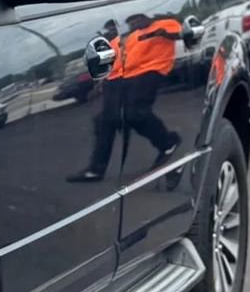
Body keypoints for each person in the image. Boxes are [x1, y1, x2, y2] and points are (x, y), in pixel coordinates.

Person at [69, 14, 182, 182]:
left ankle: (168, 142)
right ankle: (95, 170)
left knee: (135, 114)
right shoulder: (121, 39)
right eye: (130, 22)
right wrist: (100, 83)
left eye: (137, 19)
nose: (134, 23)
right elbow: (110, 62)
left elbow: (176, 33)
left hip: (148, 72)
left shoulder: (162, 24)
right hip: (117, 79)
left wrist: (158, 31)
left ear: (146, 17)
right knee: (105, 121)